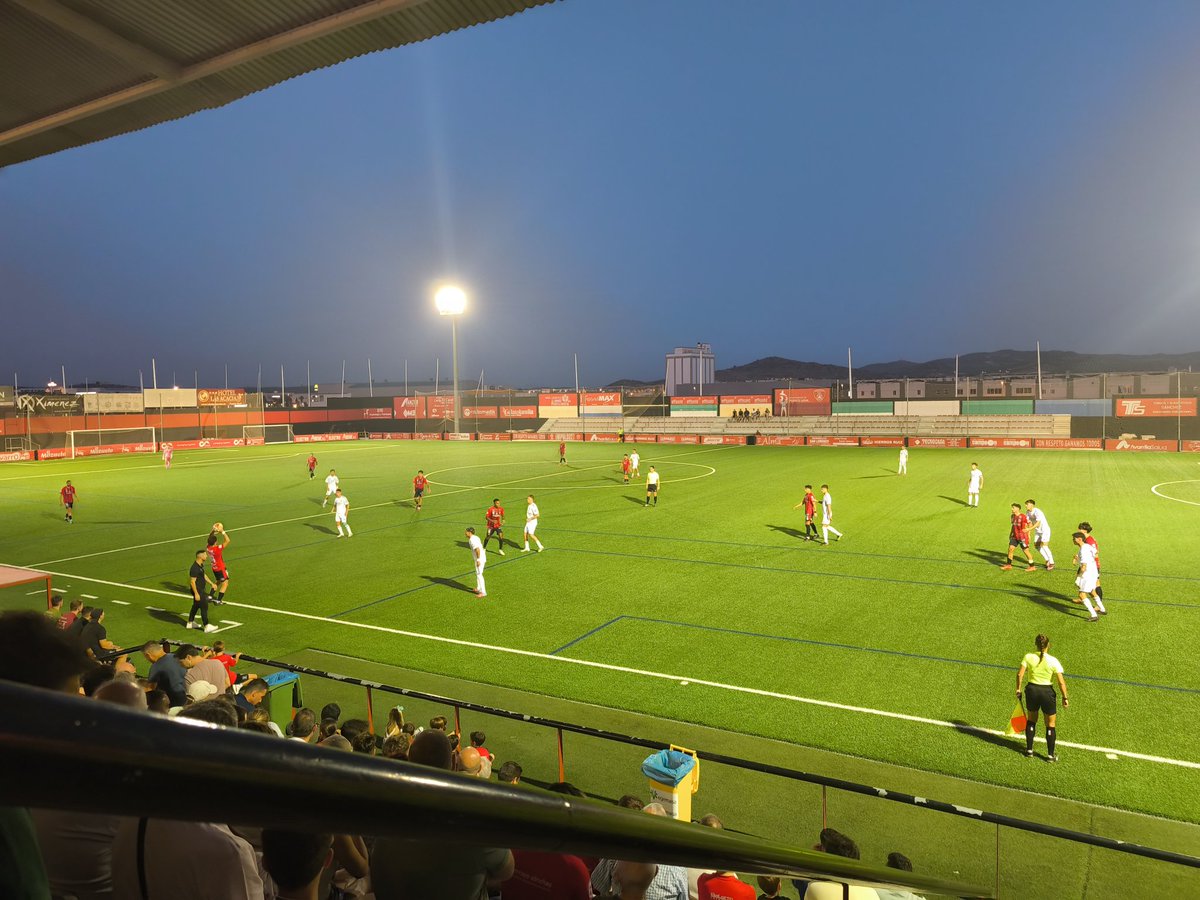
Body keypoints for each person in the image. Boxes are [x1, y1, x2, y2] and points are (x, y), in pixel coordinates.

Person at [1016, 634, 1070, 761]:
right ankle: (1050, 755)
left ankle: (1029, 750)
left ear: (1035, 644)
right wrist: (1065, 697)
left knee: (1031, 720)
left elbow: (1019, 675)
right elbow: (1061, 682)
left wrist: (1018, 689)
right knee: (1050, 724)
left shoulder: (1028, 657)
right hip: (1047, 693)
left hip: (1032, 691)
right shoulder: (1053, 661)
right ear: (1048, 645)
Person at [1071, 531, 1107, 621]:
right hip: (1094, 572)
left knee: (1081, 594)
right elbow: (1096, 553)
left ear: (1079, 539)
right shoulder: (1087, 546)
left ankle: (1094, 615)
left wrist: (1078, 576)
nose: (1073, 540)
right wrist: (1077, 558)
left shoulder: (1083, 550)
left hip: (1087, 574)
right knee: (1092, 591)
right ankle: (1102, 609)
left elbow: (1083, 567)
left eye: (1074, 539)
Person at [188, 548, 219, 632]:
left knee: (196, 605)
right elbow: (192, 582)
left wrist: (211, 583)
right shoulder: (194, 568)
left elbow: (203, 575)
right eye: (205, 554)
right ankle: (206, 626)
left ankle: (190, 623)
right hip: (198, 590)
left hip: (200, 590)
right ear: (200, 556)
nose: (206, 556)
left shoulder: (200, 565)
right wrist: (196, 593)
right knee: (204, 606)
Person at [1001, 504, 1037, 572]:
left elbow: (1030, 524)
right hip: (1014, 536)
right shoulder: (1012, 516)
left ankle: (1032, 566)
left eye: (1013, 508)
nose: (1012, 509)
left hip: (1022, 537)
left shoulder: (1023, 516)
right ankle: (1008, 565)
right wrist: (1011, 534)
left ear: (1017, 509)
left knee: (1026, 551)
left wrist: (1028, 534)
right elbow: (1013, 525)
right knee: (1010, 549)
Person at [1024, 499, 1055, 570]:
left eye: (1027, 504)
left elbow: (1038, 523)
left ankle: (1051, 562)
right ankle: (1047, 560)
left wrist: (1029, 529)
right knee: (1037, 545)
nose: (1026, 506)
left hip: (1045, 530)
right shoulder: (1027, 512)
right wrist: (1029, 533)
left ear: (1032, 505)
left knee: (1044, 546)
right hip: (1038, 531)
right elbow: (1029, 523)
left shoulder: (1037, 511)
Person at [1078, 522, 1104, 600]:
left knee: (1096, 583)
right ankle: (1082, 597)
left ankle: (1099, 604)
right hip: (1085, 564)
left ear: (1085, 531)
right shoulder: (1085, 539)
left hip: (1092, 565)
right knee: (1080, 580)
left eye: (1080, 529)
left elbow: (1096, 554)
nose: (1078, 530)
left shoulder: (1090, 541)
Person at [207, 523, 232, 604]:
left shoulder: (208, 547)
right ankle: (218, 600)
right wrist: (222, 531)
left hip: (214, 568)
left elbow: (210, 537)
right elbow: (228, 540)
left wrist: (213, 530)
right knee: (225, 583)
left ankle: (210, 596)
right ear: (215, 542)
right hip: (220, 568)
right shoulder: (217, 549)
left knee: (218, 581)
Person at [466, 526, 487, 598]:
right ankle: (478, 588)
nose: (465, 533)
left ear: (469, 532)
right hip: (481, 557)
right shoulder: (475, 537)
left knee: (479, 574)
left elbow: (477, 550)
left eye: (466, 532)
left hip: (480, 559)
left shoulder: (472, 540)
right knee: (478, 573)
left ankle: (483, 592)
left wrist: (478, 560)